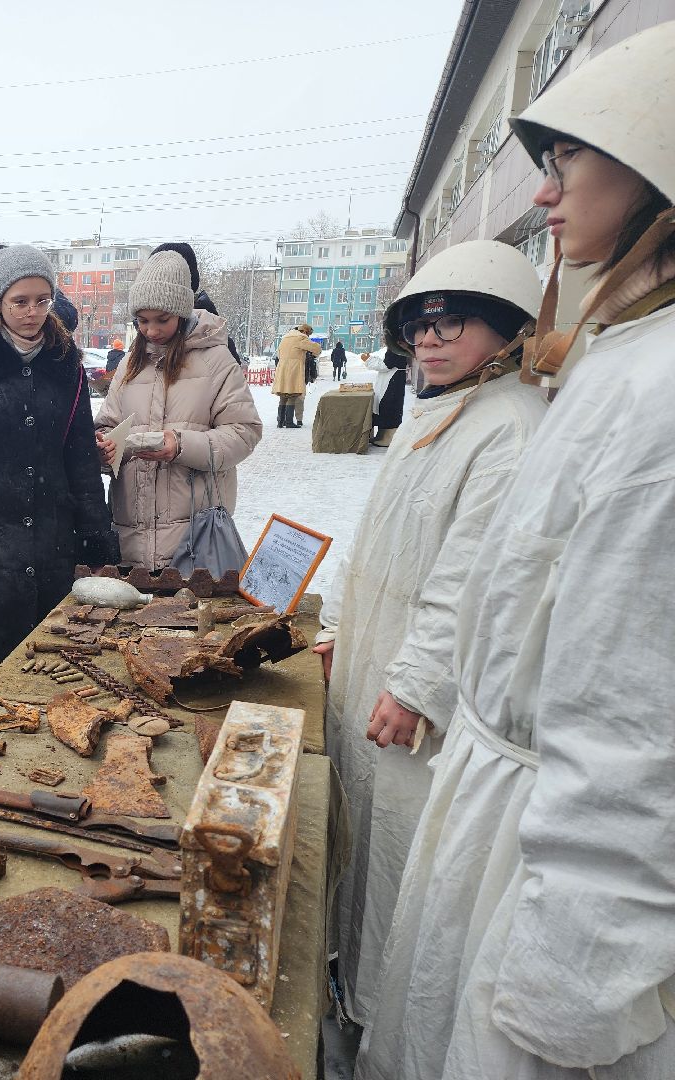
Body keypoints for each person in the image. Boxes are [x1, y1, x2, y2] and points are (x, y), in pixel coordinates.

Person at [360, 23, 675, 1080]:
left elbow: (634, 714)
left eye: (566, 161)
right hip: (500, 794)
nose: (544, 194)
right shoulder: (619, 364)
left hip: (555, 852)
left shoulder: (654, 396)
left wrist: (572, 983)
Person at [308, 241, 547, 1059]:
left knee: (399, 860)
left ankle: (380, 1018)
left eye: (455, 320)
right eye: (420, 322)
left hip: (416, 704)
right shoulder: (437, 413)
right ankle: (349, 988)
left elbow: (470, 580)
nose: (432, 338)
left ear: (509, 330)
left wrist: (414, 685)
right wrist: (334, 629)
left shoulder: (509, 429)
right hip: (372, 664)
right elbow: (371, 544)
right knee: (359, 838)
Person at [0, 245, 117, 692]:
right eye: (19, 301)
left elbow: (79, 458)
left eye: (42, 300)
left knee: (57, 674)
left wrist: (96, 543)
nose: (32, 312)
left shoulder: (65, 357)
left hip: (54, 537)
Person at [94, 244, 261, 570]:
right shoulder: (130, 363)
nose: (151, 331)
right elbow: (107, 424)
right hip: (132, 542)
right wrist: (103, 448)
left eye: (162, 320)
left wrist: (181, 445)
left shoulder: (216, 360)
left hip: (196, 542)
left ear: (182, 313)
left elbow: (245, 433)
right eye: (142, 321)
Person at [274, 322, 318, 428]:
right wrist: (314, 354)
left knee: (283, 395)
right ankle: (289, 422)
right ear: (305, 331)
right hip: (293, 369)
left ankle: (280, 421)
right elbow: (316, 348)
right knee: (292, 394)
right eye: (308, 334)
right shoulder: (300, 338)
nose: (308, 337)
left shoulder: (285, 338)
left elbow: (278, 354)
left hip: (282, 368)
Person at [369, 346, 409, 444]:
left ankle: (387, 439)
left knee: (386, 406)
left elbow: (386, 366)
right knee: (390, 406)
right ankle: (382, 436)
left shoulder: (395, 347)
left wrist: (369, 360)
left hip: (392, 380)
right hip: (395, 379)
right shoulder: (400, 346)